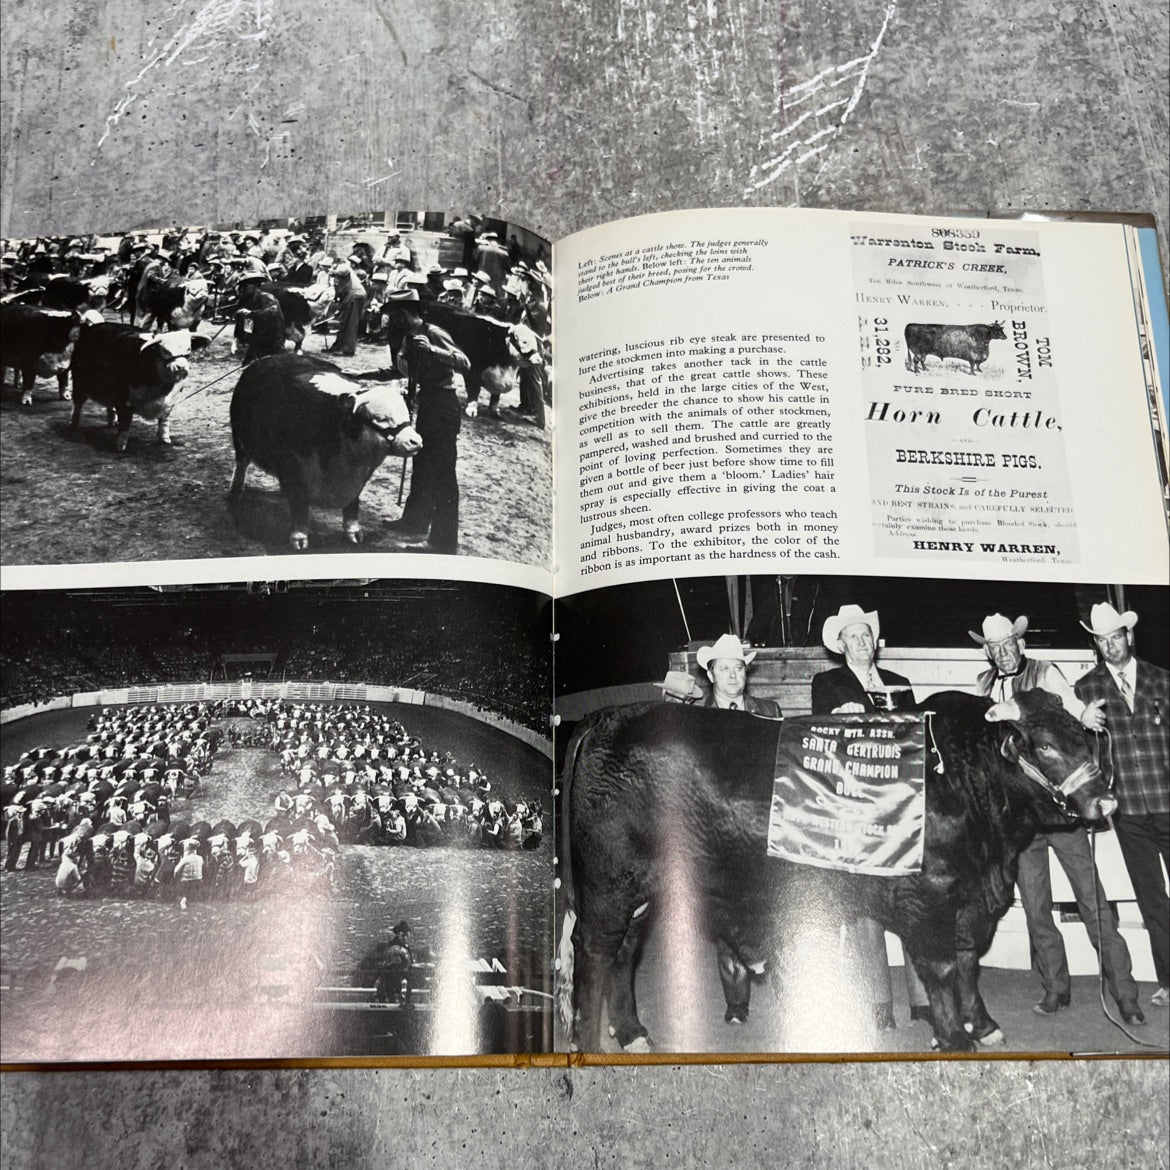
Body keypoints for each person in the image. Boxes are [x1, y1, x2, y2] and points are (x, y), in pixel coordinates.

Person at [971, 612, 1143, 1023]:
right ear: (988, 652)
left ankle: (1125, 992)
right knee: (1036, 909)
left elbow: (1067, 704)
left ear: (1021, 645)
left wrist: (1084, 715)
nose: (1003, 653)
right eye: (994, 648)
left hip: (1062, 813)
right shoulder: (983, 685)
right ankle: (1056, 988)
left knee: (1092, 901)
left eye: (1008, 645)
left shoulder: (1045, 672)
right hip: (1022, 821)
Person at [811, 604, 926, 1029]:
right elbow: (817, 732)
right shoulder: (826, 684)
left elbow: (916, 738)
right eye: (852, 637)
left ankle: (923, 998)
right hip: (856, 801)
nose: (861, 643)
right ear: (840, 646)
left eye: (865, 636)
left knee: (911, 895)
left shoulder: (901, 684)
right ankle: (879, 1001)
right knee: (864, 900)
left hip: (899, 801)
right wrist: (836, 720)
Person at [1074, 602, 1170, 1010]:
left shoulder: (1162, 680)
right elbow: (1079, 754)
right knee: (1152, 900)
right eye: (1102, 641)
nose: (1110, 646)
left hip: (1168, 802)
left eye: (1115, 637)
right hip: (1128, 811)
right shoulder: (1085, 690)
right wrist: (1082, 721)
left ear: (1128, 637)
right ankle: (1168, 980)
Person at [384, 304, 470, 554]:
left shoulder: (434, 333)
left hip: (444, 405)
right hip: (427, 404)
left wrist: (432, 349)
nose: (394, 320)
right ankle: (414, 521)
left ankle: (443, 542)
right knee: (421, 466)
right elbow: (409, 370)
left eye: (397, 315)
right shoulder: (408, 338)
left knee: (442, 473)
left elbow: (465, 362)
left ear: (408, 313)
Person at [695, 633, 781, 716]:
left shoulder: (771, 711)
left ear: (745, 673)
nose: (733, 675)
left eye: (738, 668)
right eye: (725, 669)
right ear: (711, 676)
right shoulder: (698, 717)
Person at [235, 271, 285, 364]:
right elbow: (247, 322)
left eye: (245, 286)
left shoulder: (267, 297)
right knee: (249, 363)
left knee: (274, 363)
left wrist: (252, 313)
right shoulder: (248, 299)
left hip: (271, 337)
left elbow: (273, 312)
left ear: (253, 286)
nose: (242, 289)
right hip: (256, 338)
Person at [327, 262, 366, 357]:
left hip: (356, 296)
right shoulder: (338, 277)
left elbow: (344, 272)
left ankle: (348, 350)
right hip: (351, 296)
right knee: (344, 323)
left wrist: (334, 273)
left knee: (351, 324)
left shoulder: (343, 268)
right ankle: (338, 346)